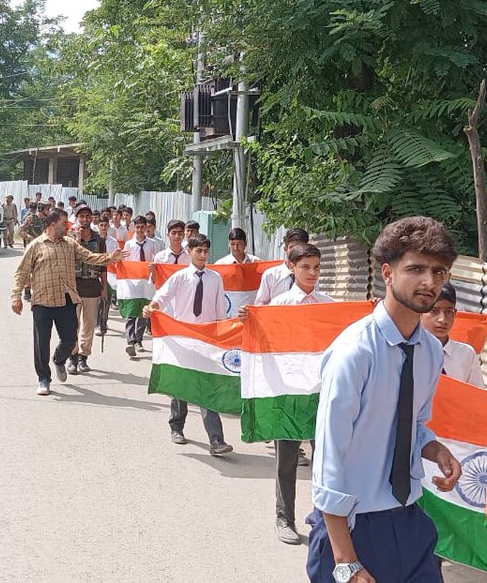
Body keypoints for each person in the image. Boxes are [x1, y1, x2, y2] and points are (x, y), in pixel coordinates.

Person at [308, 216, 463, 583]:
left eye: (439, 272)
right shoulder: (354, 352)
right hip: (354, 525)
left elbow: (414, 423)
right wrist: (345, 560)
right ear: (388, 273)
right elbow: (329, 457)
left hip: (409, 519)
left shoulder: (429, 352)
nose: (430, 282)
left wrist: (435, 449)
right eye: (416, 269)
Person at [237, 243, 335, 543]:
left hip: (320, 393)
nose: (312, 273)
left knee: (326, 461)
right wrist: (249, 319)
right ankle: (284, 518)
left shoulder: (329, 306)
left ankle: (323, 518)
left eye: (317, 267)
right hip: (288, 393)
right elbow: (262, 343)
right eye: (306, 267)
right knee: (286, 460)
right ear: (291, 267)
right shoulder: (278, 306)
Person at [11, 209, 123, 396]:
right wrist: (16, 296)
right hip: (43, 302)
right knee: (41, 343)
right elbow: (21, 272)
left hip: (66, 300)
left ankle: (59, 359)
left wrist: (110, 258)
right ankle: (44, 378)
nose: (68, 226)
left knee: (70, 339)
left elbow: (89, 256)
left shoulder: (70, 244)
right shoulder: (35, 246)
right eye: (64, 223)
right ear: (52, 224)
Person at [143, 234, 233, 456]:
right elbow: (162, 297)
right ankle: (176, 427)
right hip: (182, 337)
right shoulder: (180, 277)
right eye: (198, 251)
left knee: (207, 387)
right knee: (181, 386)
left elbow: (220, 310)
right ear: (189, 252)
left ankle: (216, 439)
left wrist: (222, 335)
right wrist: (151, 308)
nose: (202, 255)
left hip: (206, 339)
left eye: (205, 251)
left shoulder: (215, 278)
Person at [422, 282, 486, 388]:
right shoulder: (409, 351)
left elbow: (477, 393)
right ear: (420, 313)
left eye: (448, 312)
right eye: (434, 311)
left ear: (455, 313)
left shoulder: (466, 354)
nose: (442, 319)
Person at [69, 205, 107, 374]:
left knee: (89, 324)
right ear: (77, 218)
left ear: (92, 218)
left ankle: (83, 357)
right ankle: (72, 356)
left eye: (87, 216)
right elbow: (68, 258)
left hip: (92, 287)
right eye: (81, 216)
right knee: (72, 325)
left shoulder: (99, 240)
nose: (85, 219)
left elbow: (104, 264)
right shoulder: (69, 238)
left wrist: (104, 288)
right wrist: (77, 239)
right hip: (73, 287)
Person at [122, 215, 162, 357]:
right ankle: (130, 340)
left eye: (142, 227)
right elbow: (125, 264)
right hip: (132, 283)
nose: (139, 230)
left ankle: (138, 340)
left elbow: (157, 263)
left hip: (147, 283)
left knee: (143, 312)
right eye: (137, 227)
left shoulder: (153, 244)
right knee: (131, 311)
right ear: (134, 228)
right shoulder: (129, 245)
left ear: (146, 228)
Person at [255, 228, 310, 305]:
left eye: (300, 248)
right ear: (285, 249)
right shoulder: (270, 275)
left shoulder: (311, 275)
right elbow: (260, 305)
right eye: (292, 248)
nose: (296, 252)